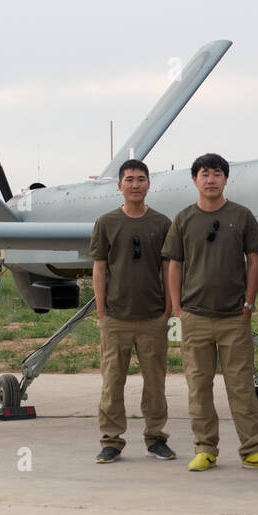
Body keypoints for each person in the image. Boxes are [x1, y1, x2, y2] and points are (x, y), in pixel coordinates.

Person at [162, 153, 258, 472]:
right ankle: (205, 448)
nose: (211, 179)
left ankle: (253, 450)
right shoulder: (184, 219)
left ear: (226, 179)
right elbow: (175, 264)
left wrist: (248, 302)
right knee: (198, 386)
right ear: (195, 180)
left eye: (217, 174)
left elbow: (254, 260)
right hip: (195, 316)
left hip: (234, 317)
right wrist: (177, 308)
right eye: (204, 174)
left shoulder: (241, 216)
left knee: (241, 386)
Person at [87, 158, 175, 463]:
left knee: (155, 383)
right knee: (112, 383)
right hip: (116, 318)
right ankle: (111, 440)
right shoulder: (107, 223)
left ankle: (156, 438)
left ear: (149, 184)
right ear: (119, 185)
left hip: (153, 317)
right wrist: (101, 311)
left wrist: (168, 308)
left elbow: (168, 267)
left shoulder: (162, 223)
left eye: (141, 179)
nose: (135, 185)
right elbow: (99, 267)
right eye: (129, 180)